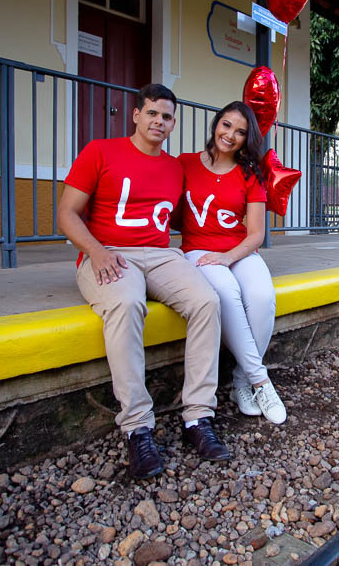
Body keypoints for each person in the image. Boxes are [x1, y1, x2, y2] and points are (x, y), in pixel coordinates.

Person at [58, 83, 231, 479]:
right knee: (127, 304)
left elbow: (203, 207)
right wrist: (97, 251)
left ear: (173, 124)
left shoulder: (174, 168)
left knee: (207, 301)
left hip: (159, 254)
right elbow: (67, 213)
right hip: (108, 252)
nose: (159, 121)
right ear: (136, 115)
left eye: (167, 116)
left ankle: (197, 418)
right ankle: (138, 427)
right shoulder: (100, 151)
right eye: (152, 112)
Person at [177, 101, 286, 424]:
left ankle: (241, 380)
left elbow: (256, 234)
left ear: (246, 139)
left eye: (240, 132)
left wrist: (229, 257)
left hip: (238, 250)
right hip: (198, 250)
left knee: (262, 296)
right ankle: (261, 381)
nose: (230, 135)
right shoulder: (184, 163)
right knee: (226, 291)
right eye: (226, 125)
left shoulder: (250, 174)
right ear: (216, 124)